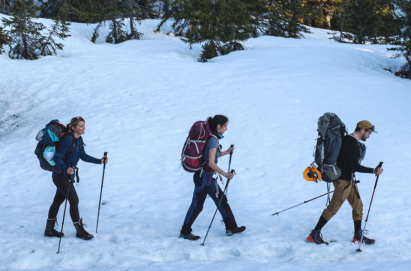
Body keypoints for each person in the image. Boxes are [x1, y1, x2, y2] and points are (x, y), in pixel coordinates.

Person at [307, 120, 384, 245]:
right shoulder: (351, 142)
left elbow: (350, 165)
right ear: (363, 130)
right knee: (333, 209)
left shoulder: (349, 140)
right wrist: (373, 171)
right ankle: (314, 234)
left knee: (358, 205)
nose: (369, 136)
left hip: (349, 180)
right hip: (342, 181)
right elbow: (354, 166)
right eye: (369, 133)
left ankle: (358, 235)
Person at [179, 115, 246, 241]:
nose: (226, 128)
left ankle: (231, 227)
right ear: (218, 126)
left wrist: (225, 152)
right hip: (203, 178)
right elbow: (211, 163)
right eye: (225, 126)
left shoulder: (212, 138)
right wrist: (226, 174)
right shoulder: (213, 140)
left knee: (221, 200)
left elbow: (210, 157)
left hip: (209, 179)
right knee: (197, 206)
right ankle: (185, 232)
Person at [44, 117, 107, 240]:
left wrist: (100, 161)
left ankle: (49, 229)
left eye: (84, 125)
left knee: (58, 201)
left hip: (67, 176)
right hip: (61, 176)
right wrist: (65, 169)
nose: (84, 128)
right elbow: (57, 157)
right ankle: (79, 231)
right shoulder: (67, 141)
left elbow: (83, 156)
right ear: (73, 128)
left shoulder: (79, 140)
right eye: (81, 126)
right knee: (74, 200)